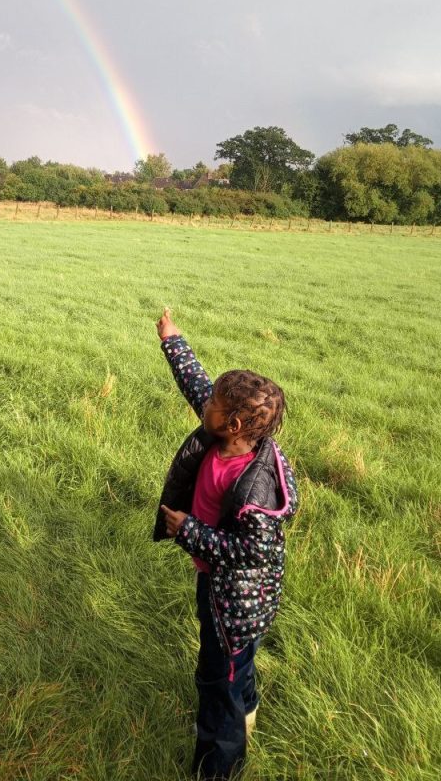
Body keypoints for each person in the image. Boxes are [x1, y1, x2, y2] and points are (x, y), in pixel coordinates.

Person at [153, 308, 298, 781]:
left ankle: (218, 766)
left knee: (218, 680)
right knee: (238, 666)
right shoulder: (228, 433)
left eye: (214, 401)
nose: (205, 401)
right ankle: (248, 708)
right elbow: (197, 383)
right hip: (220, 585)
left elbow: (248, 550)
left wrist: (187, 529)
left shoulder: (255, 487)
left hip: (235, 600)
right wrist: (172, 340)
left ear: (233, 424)